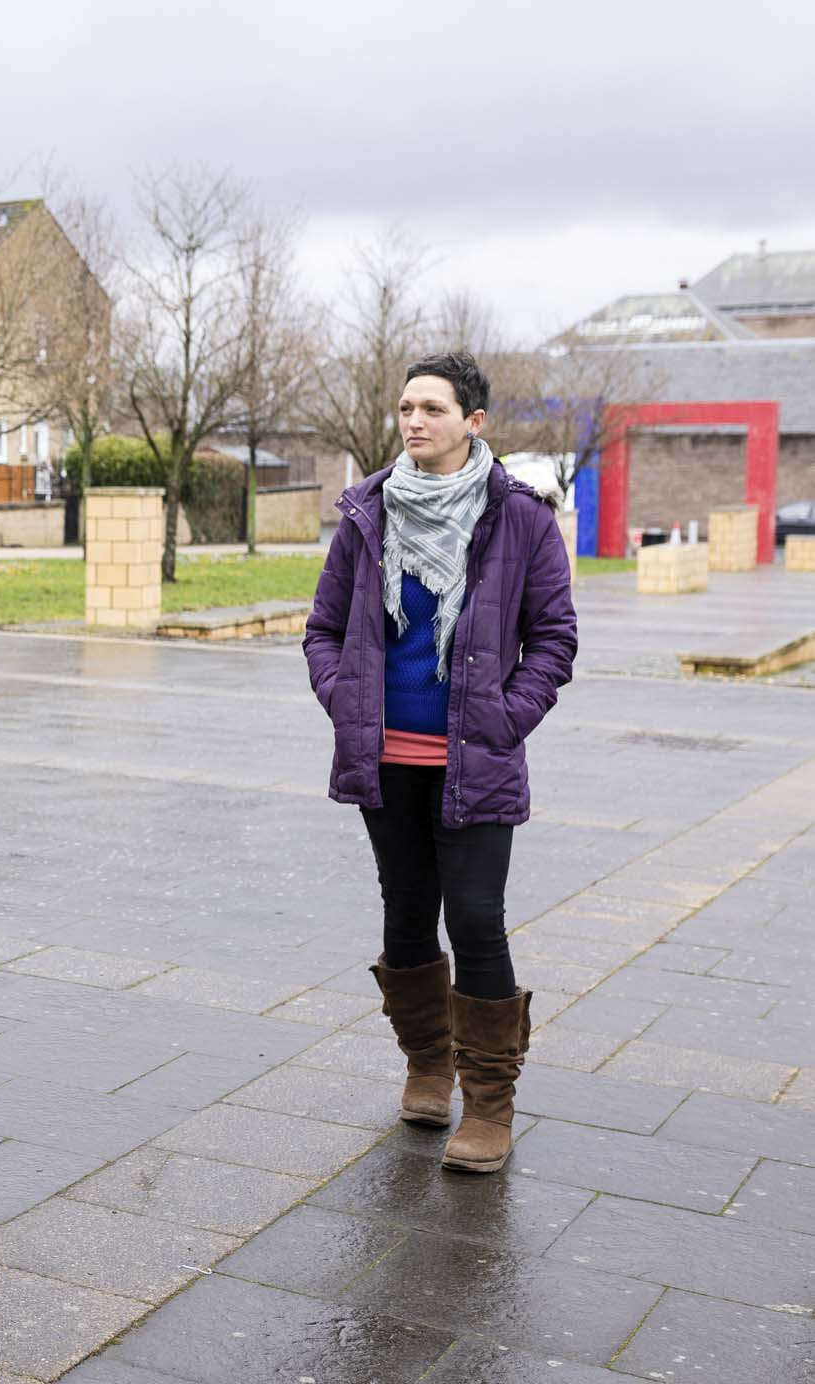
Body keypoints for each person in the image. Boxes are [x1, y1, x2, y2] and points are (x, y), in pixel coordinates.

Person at [304, 350, 578, 1173]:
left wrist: (505, 719)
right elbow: (322, 628)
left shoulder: (520, 518)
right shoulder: (367, 513)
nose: (414, 422)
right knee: (406, 911)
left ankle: (489, 1104)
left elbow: (554, 640)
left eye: (431, 409)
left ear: (474, 422)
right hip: (385, 758)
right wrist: (346, 698)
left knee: (477, 918)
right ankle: (428, 1067)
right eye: (405, 409)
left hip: (476, 759)